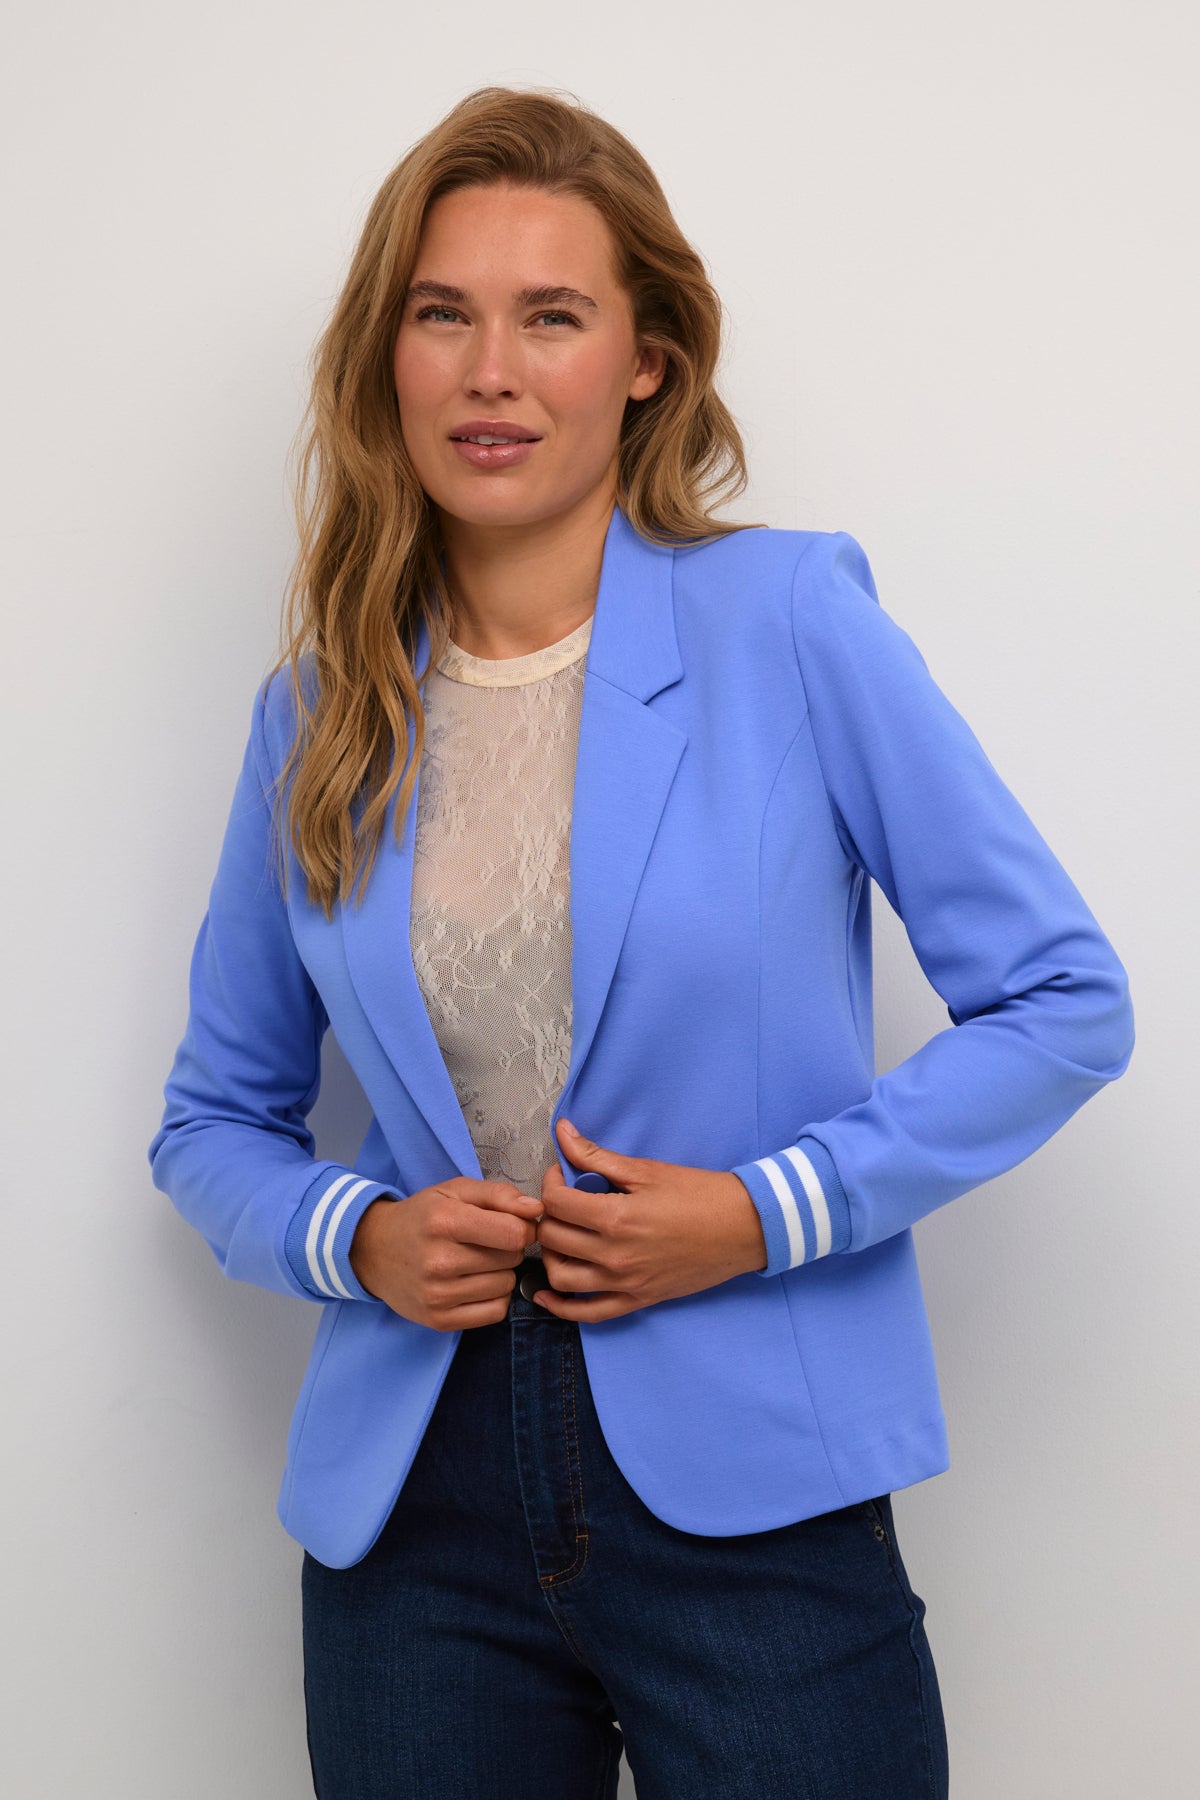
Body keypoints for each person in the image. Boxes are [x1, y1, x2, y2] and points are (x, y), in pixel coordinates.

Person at [148, 85, 1135, 1799]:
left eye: (553, 316)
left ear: (648, 360)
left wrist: (762, 1213)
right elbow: (212, 1122)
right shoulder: (319, 709)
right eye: (442, 314)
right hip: (417, 1515)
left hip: (756, 1477)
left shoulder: (790, 622)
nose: (491, 371)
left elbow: (1062, 1001)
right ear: (387, 356)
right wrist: (358, 1236)